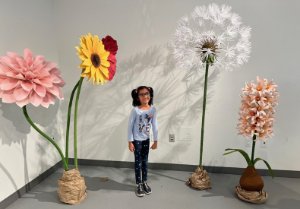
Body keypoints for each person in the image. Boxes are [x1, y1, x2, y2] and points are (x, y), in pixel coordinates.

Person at [128, 86, 158, 197]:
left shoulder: (153, 109)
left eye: (147, 93)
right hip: (137, 140)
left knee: (145, 162)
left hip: (146, 140)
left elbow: (155, 126)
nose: (145, 96)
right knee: (138, 162)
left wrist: (156, 140)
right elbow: (130, 126)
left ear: (150, 95)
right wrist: (130, 141)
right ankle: (139, 184)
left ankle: (145, 181)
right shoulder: (135, 110)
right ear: (137, 97)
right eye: (141, 94)